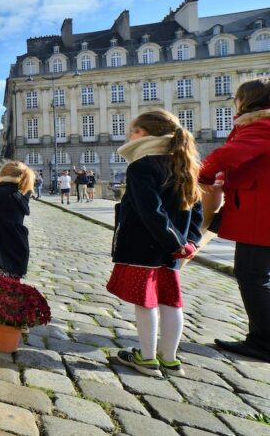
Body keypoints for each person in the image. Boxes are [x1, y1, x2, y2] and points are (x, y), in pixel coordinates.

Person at [106, 109, 202, 376]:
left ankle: (147, 358)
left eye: (133, 130)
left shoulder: (141, 166)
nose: (129, 135)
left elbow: (151, 212)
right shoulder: (183, 163)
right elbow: (197, 210)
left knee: (146, 302)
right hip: (174, 247)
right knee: (171, 302)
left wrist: (173, 243)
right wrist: (188, 243)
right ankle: (169, 359)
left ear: (144, 134)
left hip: (143, 246)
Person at [200, 79, 270, 362]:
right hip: (256, 208)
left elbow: (228, 154)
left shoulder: (260, 126)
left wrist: (201, 174)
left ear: (246, 101)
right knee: (257, 276)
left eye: (236, 98)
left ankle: (263, 342)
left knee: (252, 276)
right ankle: (260, 337)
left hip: (260, 213)